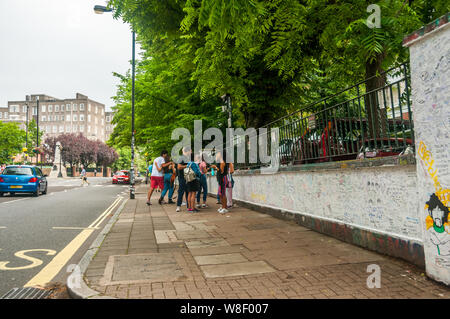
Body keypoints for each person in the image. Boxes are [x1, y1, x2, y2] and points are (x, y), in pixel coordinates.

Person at [176, 146, 191, 212]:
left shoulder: (188, 158)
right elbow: (179, 167)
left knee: (188, 191)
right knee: (181, 192)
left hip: (187, 177)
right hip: (182, 177)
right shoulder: (181, 158)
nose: (191, 152)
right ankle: (178, 206)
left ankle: (189, 206)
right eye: (190, 150)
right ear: (187, 151)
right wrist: (187, 166)